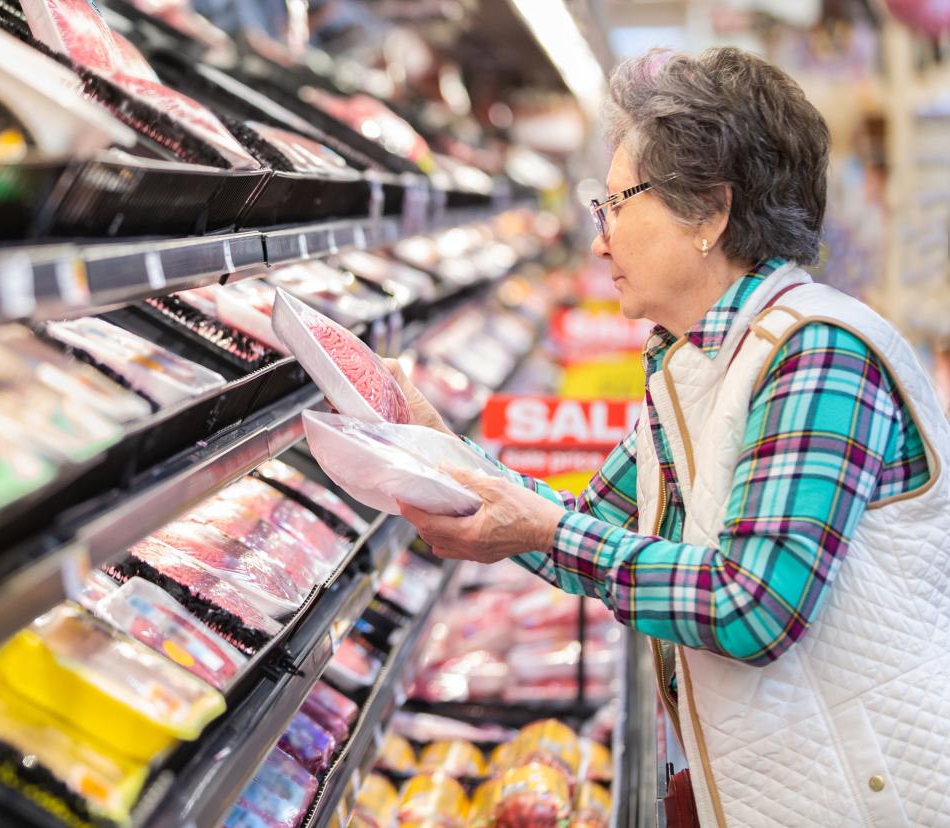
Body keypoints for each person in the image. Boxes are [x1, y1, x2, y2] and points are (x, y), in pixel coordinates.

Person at [391, 47, 950, 827]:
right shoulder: (698, 363)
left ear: (710, 212)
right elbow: (586, 524)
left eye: (614, 204)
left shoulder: (818, 352)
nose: (600, 240)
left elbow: (753, 606)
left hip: (866, 795)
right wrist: (432, 449)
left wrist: (547, 527)